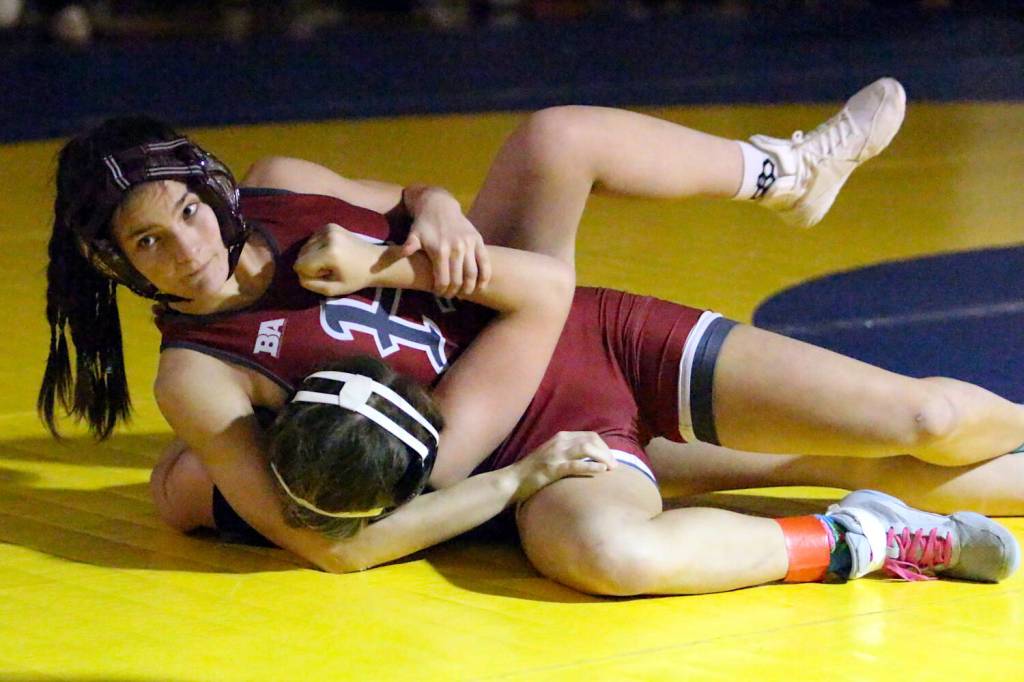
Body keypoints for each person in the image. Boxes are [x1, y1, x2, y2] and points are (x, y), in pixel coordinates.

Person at [37, 77, 1024, 590]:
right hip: (511, 437)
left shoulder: (288, 188)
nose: (182, 252)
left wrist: (432, 221)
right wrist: (516, 480)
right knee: (618, 559)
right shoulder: (197, 376)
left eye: (185, 217)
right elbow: (333, 544)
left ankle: (788, 172)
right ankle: (862, 537)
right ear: (118, 266)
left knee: (930, 414)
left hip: (568, 334)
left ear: (214, 190)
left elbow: (460, 227)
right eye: (147, 245)